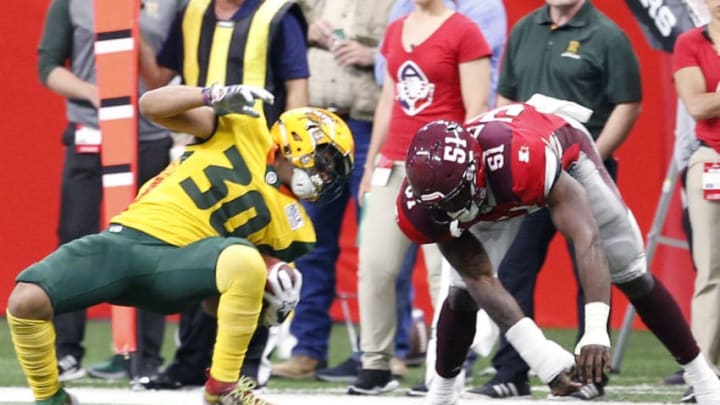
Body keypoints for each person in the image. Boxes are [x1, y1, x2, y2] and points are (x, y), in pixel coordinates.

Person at [6, 83, 355, 405]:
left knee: (249, 262)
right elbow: (150, 106)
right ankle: (51, 397)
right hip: (126, 240)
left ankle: (223, 386)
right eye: (325, 162)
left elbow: (213, 305)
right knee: (26, 299)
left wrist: (269, 302)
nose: (326, 176)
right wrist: (211, 95)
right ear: (296, 142)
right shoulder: (243, 128)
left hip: (181, 266)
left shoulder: (296, 226)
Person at [395, 102, 720, 405]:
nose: (448, 211)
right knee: (462, 293)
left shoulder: (521, 162)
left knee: (630, 271)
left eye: (453, 199)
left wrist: (595, 329)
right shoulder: (421, 205)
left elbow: (587, 237)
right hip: (492, 190)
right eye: (439, 204)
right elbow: (478, 275)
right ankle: (442, 392)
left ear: (473, 172)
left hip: (565, 154)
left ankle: (703, 378)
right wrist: (540, 354)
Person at [473, 0, 643, 399]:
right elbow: (507, 100)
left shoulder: (607, 35)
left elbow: (628, 103)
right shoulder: (525, 29)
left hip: (583, 170)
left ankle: (590, 377)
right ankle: (511, 373)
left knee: (592, 268)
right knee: (513, 271)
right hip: (527, 173)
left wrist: (590, 160)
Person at [137, 0, 310, 389]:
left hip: (261, 155)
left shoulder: (277, 14)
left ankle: (248, 364)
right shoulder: (193, 11)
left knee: (257, 260)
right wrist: (133, 32)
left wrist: (292, 155)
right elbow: (159, 77)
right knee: (198, 255)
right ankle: (190, 361)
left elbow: (297, 86)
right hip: (203, 153)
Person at [348, 0, 491, 395]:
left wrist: (462, 173)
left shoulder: (464, 31)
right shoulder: (396, 30)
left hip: (442, 170)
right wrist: (371, 162)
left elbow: (477, 105)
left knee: (442, 275)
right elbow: (388, 101)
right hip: (394, 163)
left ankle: (446, 368)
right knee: (374, 266)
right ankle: (375, 363)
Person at [36, 0, 180, 382]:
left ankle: (143, 355)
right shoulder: (71, 3)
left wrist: (138, 37)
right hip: (90, 133)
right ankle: (66, 351)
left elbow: (163, 78)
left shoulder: (168, 5)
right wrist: (97, 93)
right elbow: (47, 67)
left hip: (148, 137)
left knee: (149, 244)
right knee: (75, 238)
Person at [269, 0, 411, 382]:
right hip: (315, 127)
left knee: (381, 244)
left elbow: (415, 56)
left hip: (367, 123)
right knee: (310, 243)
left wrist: (373, 56)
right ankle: (307, 350)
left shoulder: (399, 4)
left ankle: (387, 350)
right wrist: (305, 31)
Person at [673, 5, 720, 400]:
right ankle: (706, 377)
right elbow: (699, 107)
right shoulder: (690, 42)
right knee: (711, 271)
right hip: (712, 158)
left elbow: (710, 100)